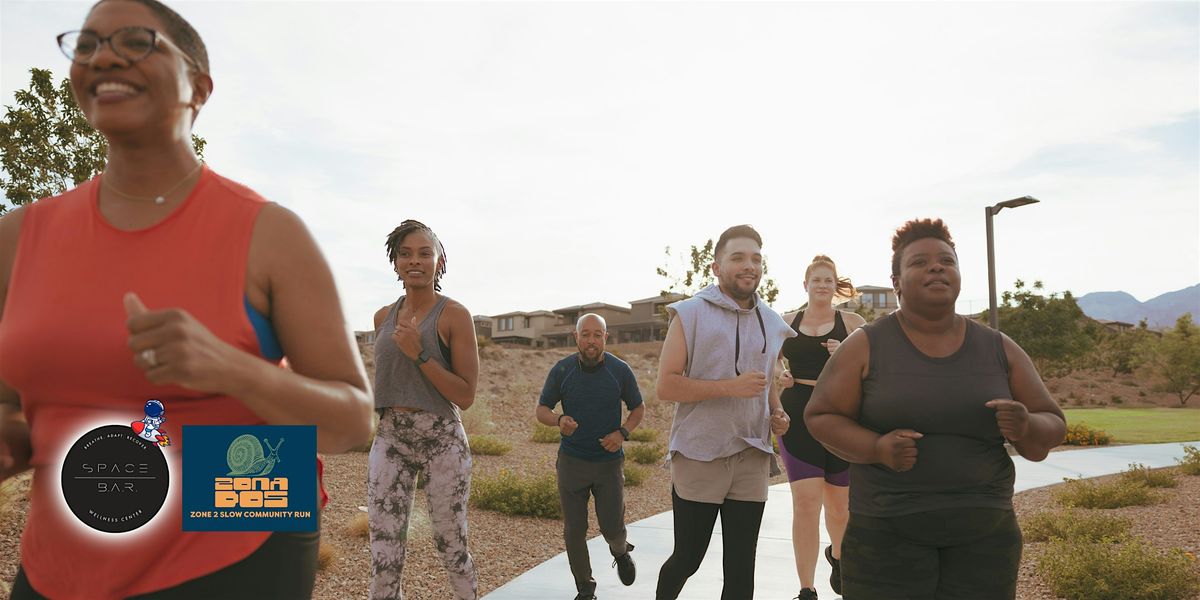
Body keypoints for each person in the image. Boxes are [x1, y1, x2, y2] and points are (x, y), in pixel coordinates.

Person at [0, 1, 374, 598]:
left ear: (198, 87)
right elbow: (11, 409)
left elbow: (353, 418)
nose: (104, 56)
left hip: (235, 528)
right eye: (87, 44)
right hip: (66, 551)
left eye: (136, 41)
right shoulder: (18, 236)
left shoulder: (269, 232)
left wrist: (230, 369)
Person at [805, 218, 1067, 600]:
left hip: (984, 538)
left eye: (946, 260)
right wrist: (876, 448)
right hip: (885, 538)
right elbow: (821, 415)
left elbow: (1054, 423)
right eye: (919, 262)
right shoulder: (866, 345)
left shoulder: (997, 347)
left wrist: (1025, 424)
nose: (936, 267)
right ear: (896, 281)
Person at [654, 224, 795, 600]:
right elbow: (665, 385)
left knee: (741, 569)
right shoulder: (689, 314)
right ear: (716, 267)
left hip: (752, 453)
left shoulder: (772, 321)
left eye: (755, 259)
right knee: (688, 558)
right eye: (738, 258)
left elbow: (767, 381)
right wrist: (728, 389)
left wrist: (777, 412)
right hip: (701, 452)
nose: (749, 265)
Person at [369, 219, 480, 600]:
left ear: (439, 261)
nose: (414, 261)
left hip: (442, 440)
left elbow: (465, 395)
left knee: (451, 546)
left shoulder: (454, 316)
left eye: (424, 253)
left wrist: (420, 355)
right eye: (405, 254)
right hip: (390, 437)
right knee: (384, 552)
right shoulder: (383, 318)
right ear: (395, 262)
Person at [536, 313, 644, 600]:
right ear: (576, 337)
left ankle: (620, 551)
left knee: (612, 527)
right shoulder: (563, 370)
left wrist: (622, 432)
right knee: (574, 530)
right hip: (572, 461)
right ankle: (585, 589)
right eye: (586, 334)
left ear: (606, 338)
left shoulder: (620, 371)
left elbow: (638, 408)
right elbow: (542, 409)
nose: (592, 340)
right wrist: (558, 420)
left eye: (598, 334)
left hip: (609, 463)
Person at [778, 256, 865, 600]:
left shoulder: (853, 323)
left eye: (828, 280)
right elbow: (766, 360)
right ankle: (806, 589)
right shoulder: (785, 322)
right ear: (806, 285)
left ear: (835, 285)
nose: (823, 285)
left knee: (839, 506)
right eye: (816, 279)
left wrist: (845, 352)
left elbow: (870, 370)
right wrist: (780, 375)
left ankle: (839, 558)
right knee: (805, 503)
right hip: (797, 415)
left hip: (840, 417)